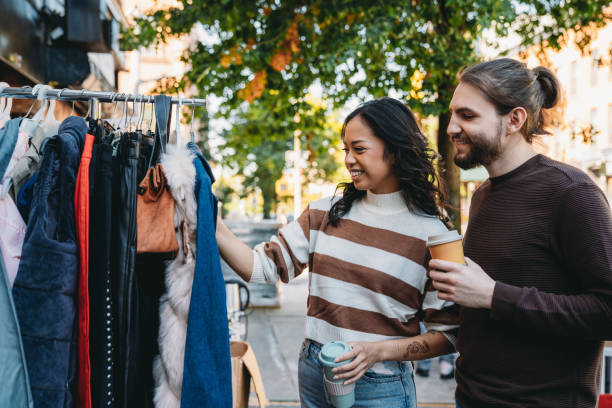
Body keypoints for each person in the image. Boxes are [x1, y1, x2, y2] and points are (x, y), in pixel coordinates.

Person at [216, 97, 459, 408]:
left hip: (381, 385)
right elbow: (261, 268)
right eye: (346, 150)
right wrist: (215, 227)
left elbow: (449, 335)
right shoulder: (323, 213)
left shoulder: (436, 233)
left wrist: (378, 352)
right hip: (316, 371)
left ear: (396, 152)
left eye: (358, 149)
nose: (348, 160)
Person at [429, 58, 612, 408]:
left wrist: (494, 295)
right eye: (453, 115)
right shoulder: (483, 194)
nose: (451, 128)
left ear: (514, 119)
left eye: (467, 116)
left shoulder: (571, 192)